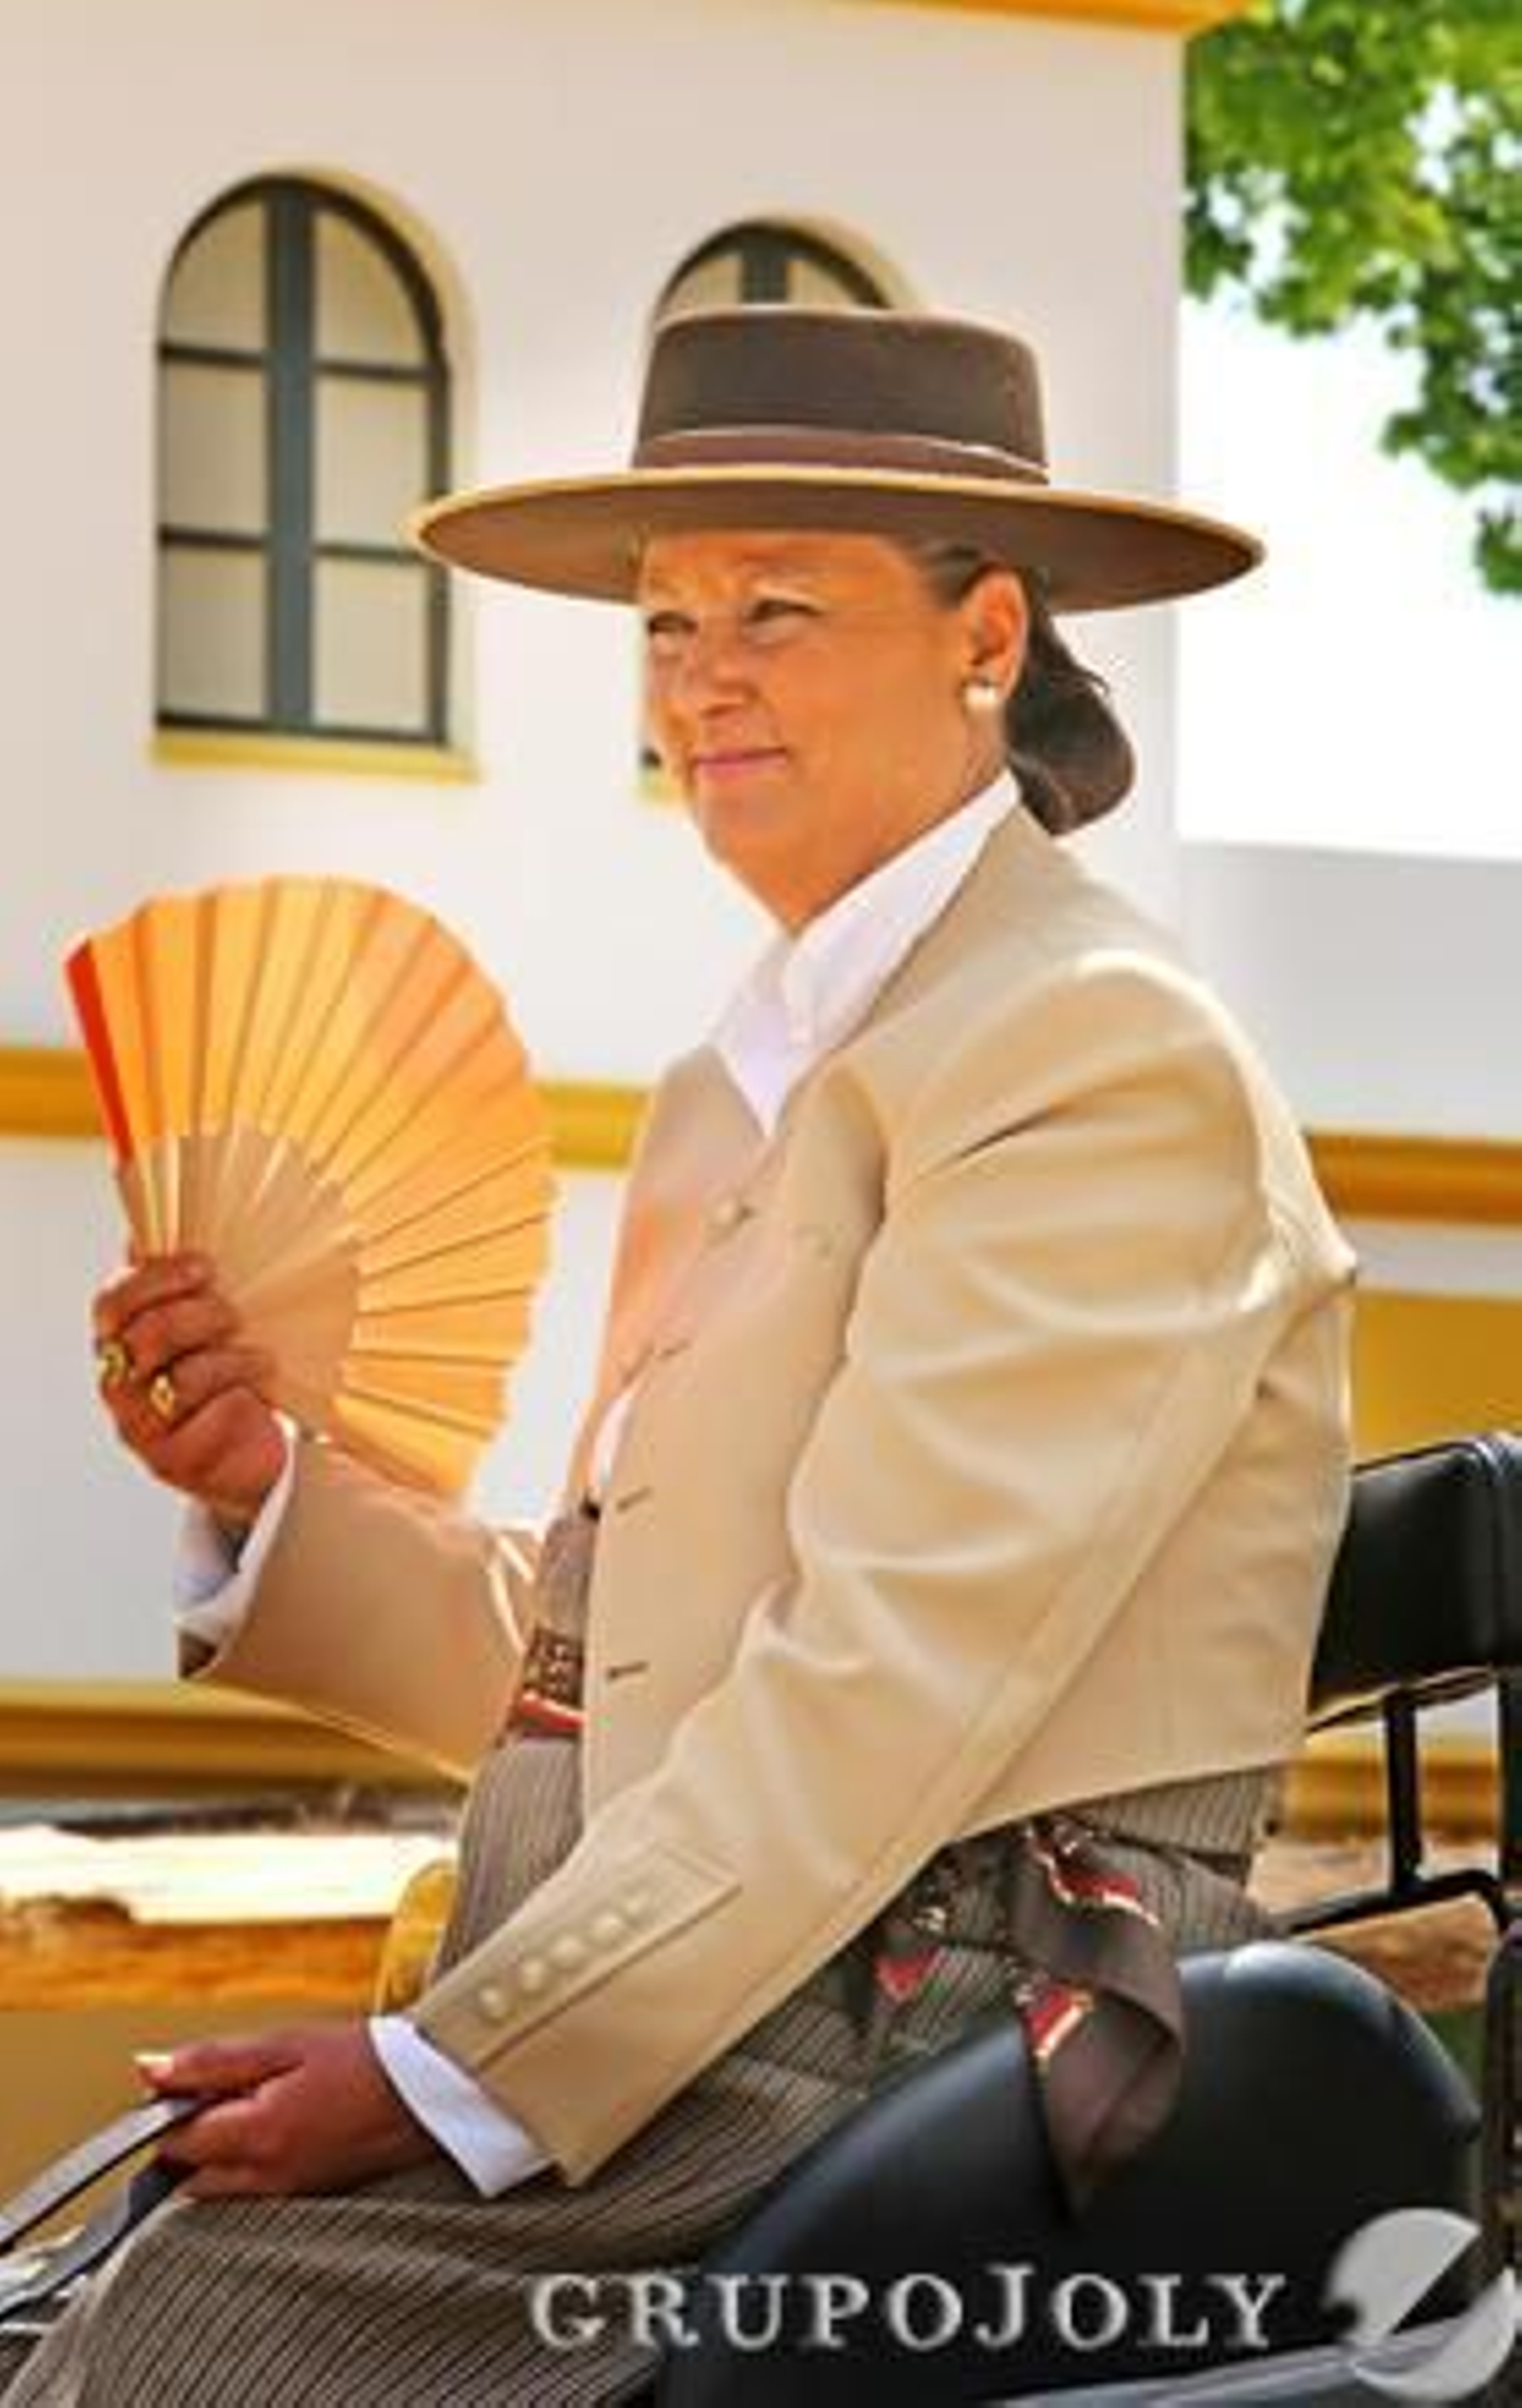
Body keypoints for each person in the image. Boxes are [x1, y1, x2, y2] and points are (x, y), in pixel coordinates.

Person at [10, 306, 1354, 2404]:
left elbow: (882, 1687)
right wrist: (270, 1487)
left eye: (776, 610)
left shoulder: (1092, 1053)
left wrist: (458, 2070)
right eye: (663, 620)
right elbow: (619, 1680)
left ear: (987, 634)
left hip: (921, 2014)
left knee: (175, 2355)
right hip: (706, 1983)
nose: (697, 676)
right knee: (70, 2296)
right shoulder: (737, 1093)